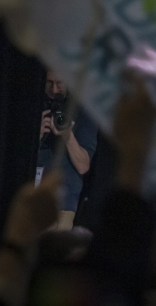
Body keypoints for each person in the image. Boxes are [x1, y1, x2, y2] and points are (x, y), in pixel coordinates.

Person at [37, 71, 98, 230]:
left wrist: (68, 135)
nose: (55, 90)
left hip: (62, 204)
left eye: (60, 84)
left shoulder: (84, 111)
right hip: (31, 198)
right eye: (49, 84)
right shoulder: (34, 105)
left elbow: (83, 165)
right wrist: (36, 136)